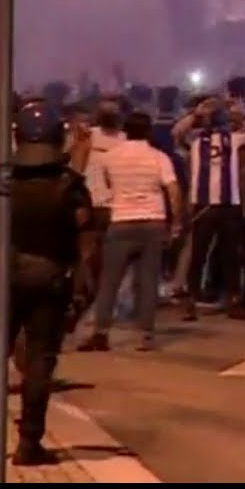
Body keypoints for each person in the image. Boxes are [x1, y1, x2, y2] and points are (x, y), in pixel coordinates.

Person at [0, 101, 91, 465]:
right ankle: (29, 442)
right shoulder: (70, 186)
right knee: (39, 360)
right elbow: (85, 235)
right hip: (50, 276)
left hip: (3, 275)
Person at [78, 112, 182, 352]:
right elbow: (173, 191)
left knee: (109, 280)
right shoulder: (158, 157)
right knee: (148, 280)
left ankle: (101, 333)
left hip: (121, 220)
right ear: (148, 131)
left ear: (126, 131)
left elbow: (107, 183)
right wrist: (176, 222)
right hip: (153, 221)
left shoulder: (111, 157)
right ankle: (146, 335)